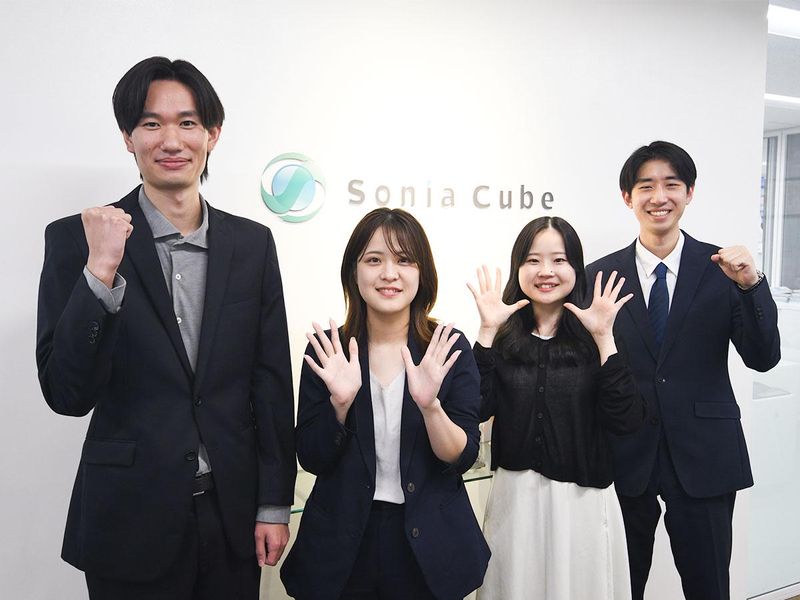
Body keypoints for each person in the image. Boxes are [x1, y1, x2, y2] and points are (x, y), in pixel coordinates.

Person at [35, 57, 296, 599]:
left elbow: (270, 381)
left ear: (212, 135)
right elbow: (66, 393)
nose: (171, 140)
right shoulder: (76, 239)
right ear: (128, 137)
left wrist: (274, 502)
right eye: (151, 123)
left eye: (187, 122)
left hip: (231, 515)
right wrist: (99, 271)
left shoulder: (252, 245)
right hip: (128, 517)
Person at [586, 141, 781, 600]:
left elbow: (763, 357)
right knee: (619, 587)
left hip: (705, 453)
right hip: (624, 455)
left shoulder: (724, 269)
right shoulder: (599, 276)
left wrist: (752, 286)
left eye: (671, 184)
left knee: (709, 586)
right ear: (627, 197)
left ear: (689, 193)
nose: (659, 197)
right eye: (646, 186)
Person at [280, 208, 490, 600]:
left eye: (404, 260)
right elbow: (312, 457)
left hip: (429, 543)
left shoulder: (447, 347)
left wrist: (431, 407)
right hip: (344, 543)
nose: (389, 274)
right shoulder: (328, 350)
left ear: (422, 273)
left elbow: (462, 457)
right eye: (374, 260)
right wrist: (339, 405)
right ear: (353, 271)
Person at [469, 216, 644, 600]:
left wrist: (604, 339)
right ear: (518, 268)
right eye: (533, 260)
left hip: (581, 502)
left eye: (559, 260)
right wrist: (485, 334)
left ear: (576, 268)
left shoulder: (598, 332)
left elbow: (627, 419)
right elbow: (475, 409)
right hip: (516, 499)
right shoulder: (504, 334)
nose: (545, 271)